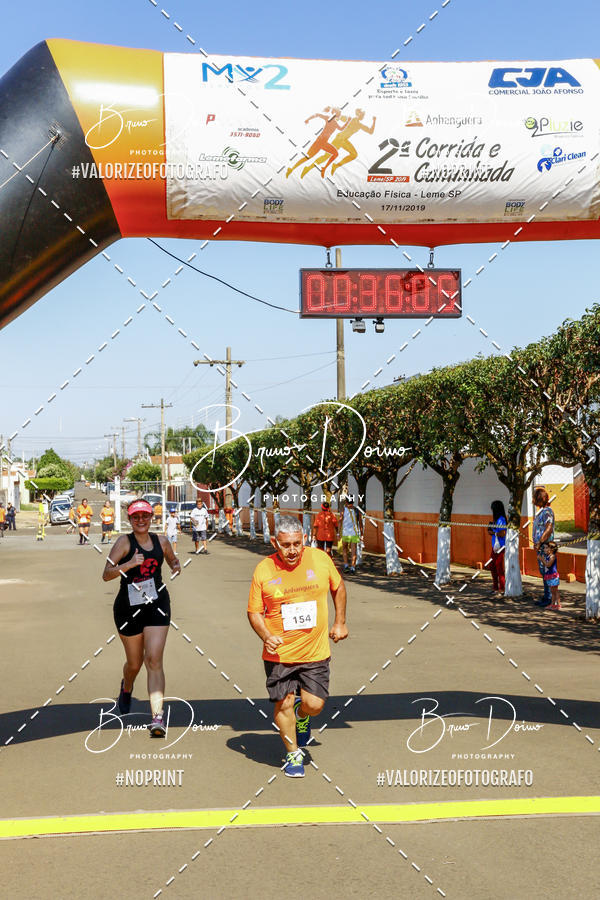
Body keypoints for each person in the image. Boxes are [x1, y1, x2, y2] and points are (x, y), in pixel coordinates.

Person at [247, 514, 348, 778]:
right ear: (274, 543)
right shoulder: (264, 569)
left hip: (314, 652)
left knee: (314, 704)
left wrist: (340, 622)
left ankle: (302, 716)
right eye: (285, 545)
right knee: (283, 703)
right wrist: (266, 635)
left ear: (304, 539)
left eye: (296, 543)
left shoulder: (320, 559)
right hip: (279, 653)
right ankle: (293, 755)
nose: (292, 550)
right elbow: (254, 612)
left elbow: (338, 588)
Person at [101, 498, 180, 736]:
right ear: (130, 520)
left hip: (156, 605)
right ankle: (126, 688)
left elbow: (171, 559)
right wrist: (128, 564)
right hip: (128, 608)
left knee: (153, 660)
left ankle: (157, 718)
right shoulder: (124, 543)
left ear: (152, 517)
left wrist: (176, 565)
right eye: (136, 517)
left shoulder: (162, 541)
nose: (141, 520)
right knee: (134, 664)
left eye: (145, 516)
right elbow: (106, 574)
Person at [286, 107, 347, 179]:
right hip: (321, 141)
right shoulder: (329, 119)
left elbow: (341, 129)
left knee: (309, 157)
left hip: (323, 142)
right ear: (336, 114)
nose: (340, 115)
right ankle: (292, 169)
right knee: (308, 157)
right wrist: (308, 119)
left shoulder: (334, 122)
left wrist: (347, 121)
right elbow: (317, 114)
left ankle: (323, 168)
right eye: (339, 113)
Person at [532, 487, 555, 608]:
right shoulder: (542, 511)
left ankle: (549, 597)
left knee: (547, 571)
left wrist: (540, 542)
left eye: (535, 498)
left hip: (545, 546)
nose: (533, 500)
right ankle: (547, 595)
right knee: (544, 572)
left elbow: (549, 528)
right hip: (541, 546)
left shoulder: (547, 512)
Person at [487, 500, 507, 596]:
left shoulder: (501, 519)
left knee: (499, 567)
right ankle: (495, 587)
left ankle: (502, 588)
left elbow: (502, 533)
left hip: (500, 546)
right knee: (492, 566)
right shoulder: (496, 519)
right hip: (495, 546)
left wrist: (493, 532)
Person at [340, 497, 362, 574]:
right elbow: (360, 523)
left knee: (345, 549)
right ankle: (353, 567)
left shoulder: (343, 510)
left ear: (346, 501)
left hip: (345, 533)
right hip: (354, 533)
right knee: (354, 551)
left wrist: (339, 533)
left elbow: (340, 520)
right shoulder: (357, 510)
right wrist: (361, 534)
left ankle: (346, 565)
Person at [538, 541, 561, 610]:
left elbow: (548, 565)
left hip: (553, 576)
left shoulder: (552, 556)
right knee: (552, 591)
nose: (544, 549)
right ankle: (552, 604)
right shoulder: (548, 556)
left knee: (555, 591)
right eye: (544, 548)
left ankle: (558, 605)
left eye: (546, 548)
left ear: (551, 549)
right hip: (549, 576)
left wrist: (542, 559)